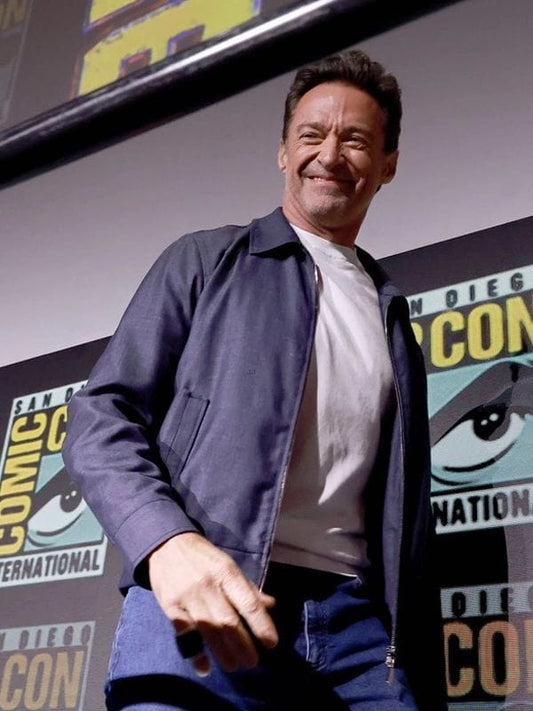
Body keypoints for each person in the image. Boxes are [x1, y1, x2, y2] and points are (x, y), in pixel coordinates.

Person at [63, 49, 446, 710]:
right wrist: (166, 542)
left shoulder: (393, 318)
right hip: (204, 604)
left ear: (387, 164)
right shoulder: (202, 260)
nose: (329, 154)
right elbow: (100, 420)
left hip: (358, 634)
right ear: (283, 152)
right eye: (311, 134)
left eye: (355, 140)